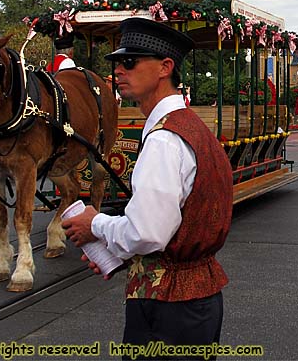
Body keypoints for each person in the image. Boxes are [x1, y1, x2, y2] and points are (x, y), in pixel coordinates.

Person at [62, 18, 233, 351]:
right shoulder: (189, 126)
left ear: (164, 67)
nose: (119, 71)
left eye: (130, 61)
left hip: (168, 306)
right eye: (116, 64)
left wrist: (94, 222)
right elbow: (167, 231)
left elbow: (149, 233)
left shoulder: (165, 139)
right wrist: (117, 252)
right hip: (195, 299)